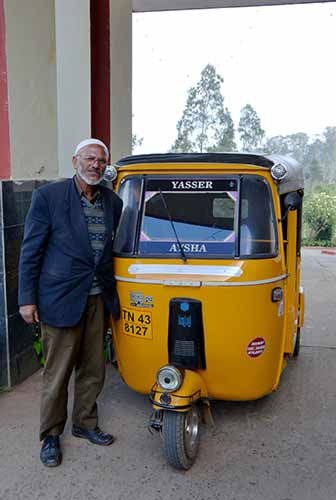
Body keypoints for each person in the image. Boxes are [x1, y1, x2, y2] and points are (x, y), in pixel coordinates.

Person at [18, 138, 123, 467]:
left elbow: (108, 252)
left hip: (97, 300)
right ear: (75, 160)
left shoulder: (113, 202)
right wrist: (26, 300)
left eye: (102, 160)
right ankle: (50, 435)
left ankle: (85, 424)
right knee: (57, 373)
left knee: (93, 369)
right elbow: (31, 251)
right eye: (90, 158)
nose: (96, 165)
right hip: (59, 299)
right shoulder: (48, 197)